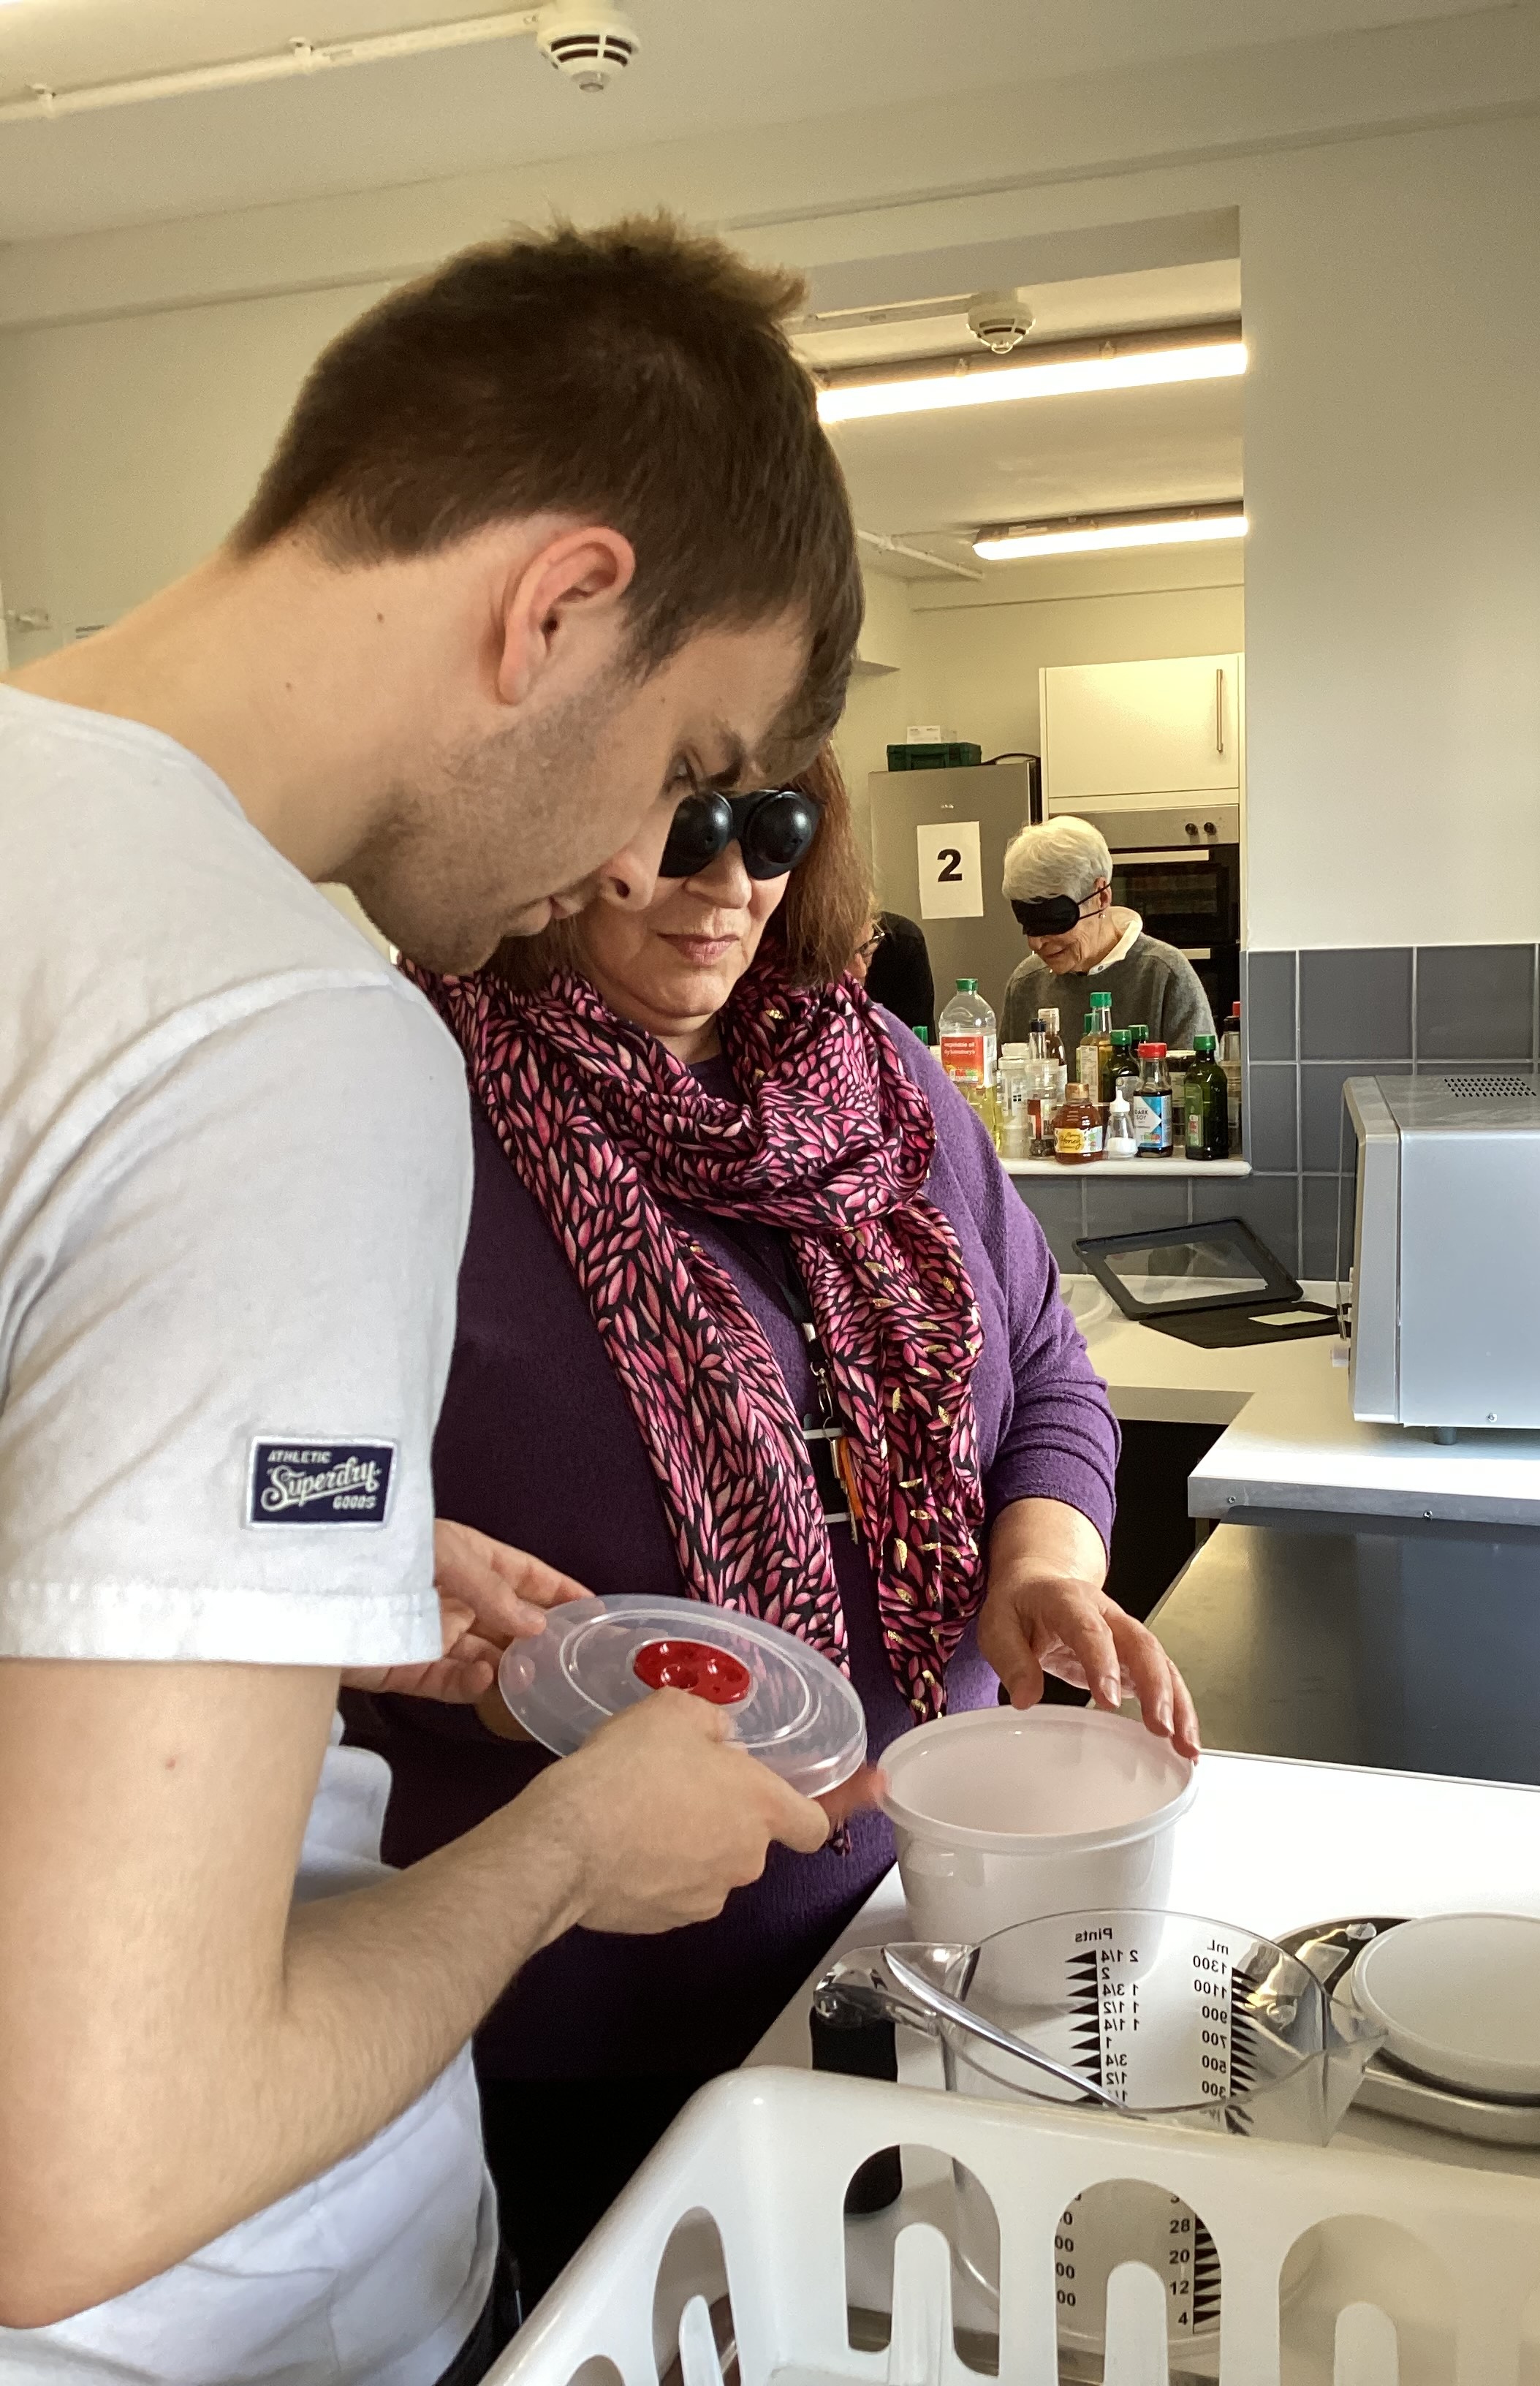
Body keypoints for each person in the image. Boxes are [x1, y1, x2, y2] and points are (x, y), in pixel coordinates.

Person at [0, 217, 863, 2383]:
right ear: (559, 604)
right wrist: (575, 1842)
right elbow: (88, 2162)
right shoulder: (279, 1034)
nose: (656, 861)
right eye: (692, 759)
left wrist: (301, 1597)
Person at [344, 745, 1199, 2303]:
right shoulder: (393, 1100)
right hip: (584, 2000)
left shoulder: (875, 1075)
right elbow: (253, 1529)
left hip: (925, 1937)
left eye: (773, 823)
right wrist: (401, 1600)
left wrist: (1042, 1563)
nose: (727, 878)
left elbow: (1051, 1374)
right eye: (674, 823)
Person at [998, 815, 1215, 1050]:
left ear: (1101, 897)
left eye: (1053, 920)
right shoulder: (1026, 984)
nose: (1035, 943)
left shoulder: (1165, 975)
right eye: (1027, 923)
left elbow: (1197, 1080)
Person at [851, 903, 936, 1039]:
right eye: (851, 954)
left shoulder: (903, 941)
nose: (862, 971)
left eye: (867, 952)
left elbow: (919, 1045)